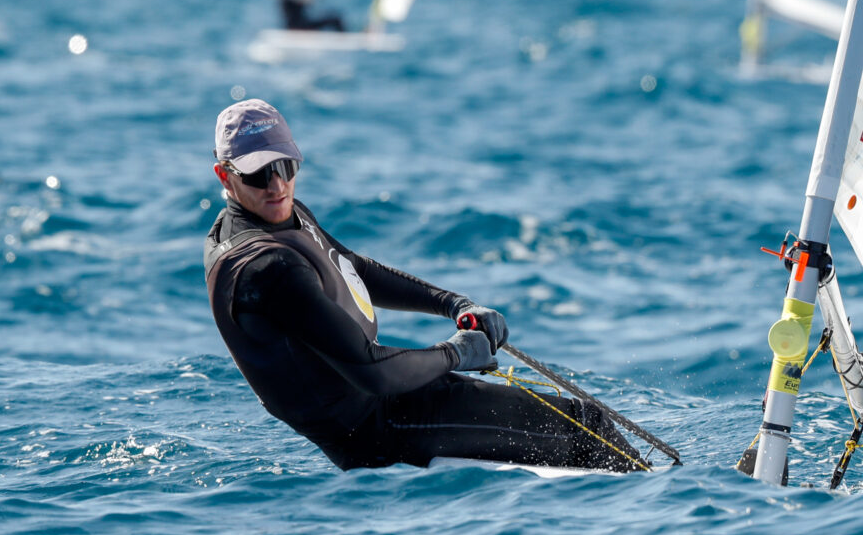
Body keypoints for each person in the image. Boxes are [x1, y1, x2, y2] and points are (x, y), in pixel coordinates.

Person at [204, 99, 649, 473]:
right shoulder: (265, 268)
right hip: (381, 430)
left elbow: (350, 267)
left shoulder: (277, 211)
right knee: (584, 428)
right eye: (260, 173)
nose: (279, 184)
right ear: (225, 176)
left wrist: (452, 303)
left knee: (584, 422)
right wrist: (458, 353)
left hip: (399, 404)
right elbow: (372, 372)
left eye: (286, 164)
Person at [280, 0, 346, 32]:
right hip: (299, 27)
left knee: (334, 18)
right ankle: (344, 40)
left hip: (295, 26)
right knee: (335, 20)